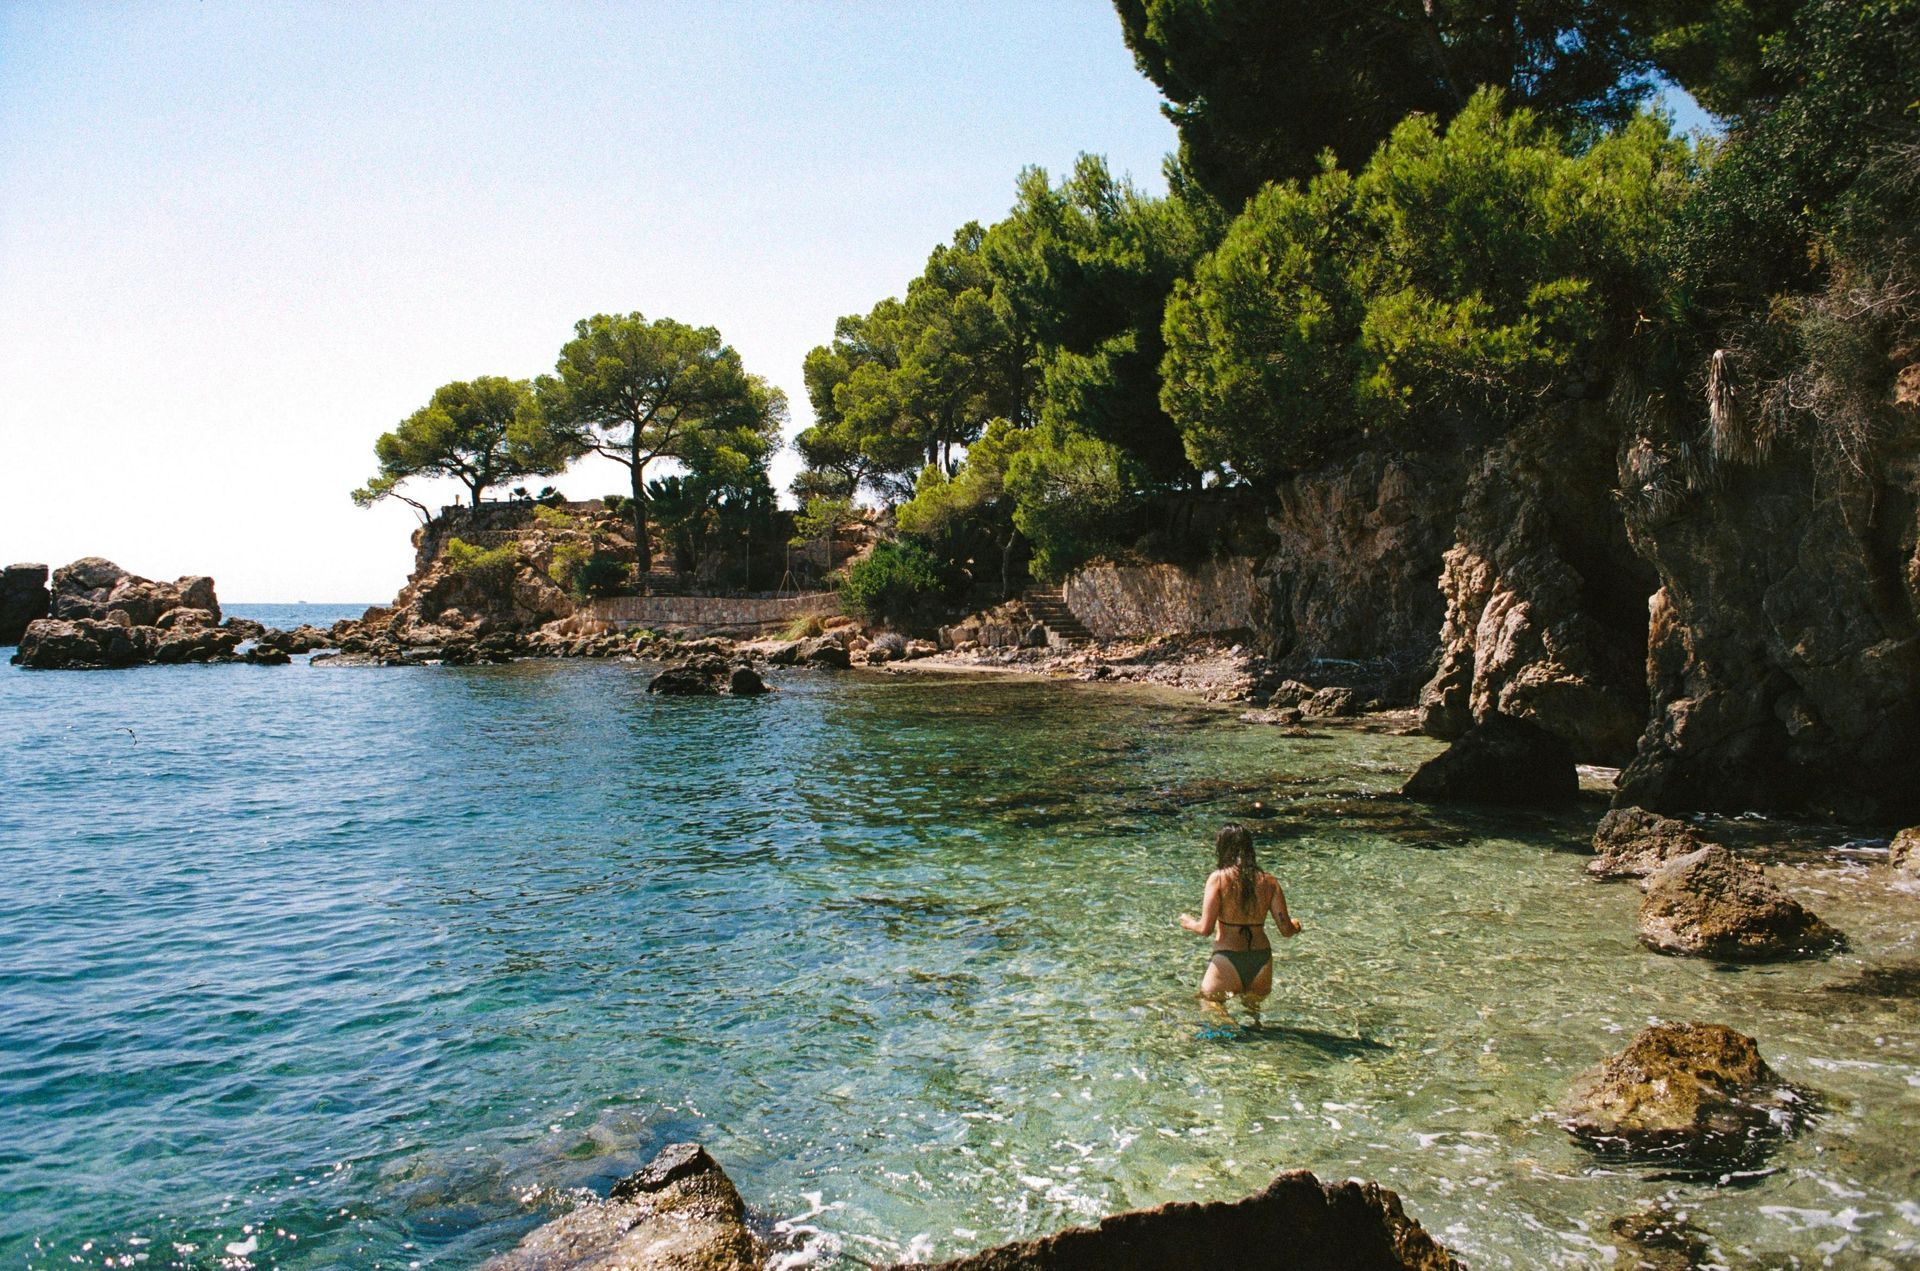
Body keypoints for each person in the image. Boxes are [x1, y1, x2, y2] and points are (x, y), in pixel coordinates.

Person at [1178, 823, 1301, 1025]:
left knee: (1209, 1002)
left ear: (1223, 848)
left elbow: (1205, 929)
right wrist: (1297, 925)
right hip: (1262, 960)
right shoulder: (1269, 881)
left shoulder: (1218, 879)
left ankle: (1232, 1031)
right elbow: (1286, 930)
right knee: (1254, 1016)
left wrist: (1188, 922)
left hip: (1228, 959)